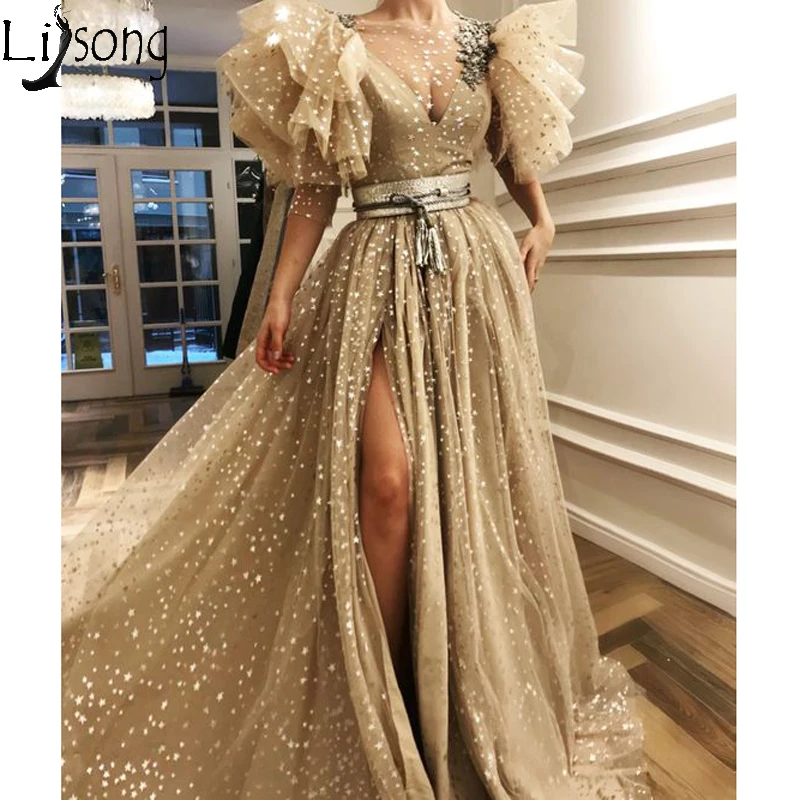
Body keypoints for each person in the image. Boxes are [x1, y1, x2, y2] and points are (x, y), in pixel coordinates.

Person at [61, 1, 652, 797]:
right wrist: (280, 294)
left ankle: (459, 673)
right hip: (375, 273)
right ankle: (387, 701)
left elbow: (510, 149)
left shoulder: (492, 44)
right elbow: (312, 186)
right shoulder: (336, 41)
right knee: (388, 483)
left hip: (472, 278)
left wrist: (543, 220)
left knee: (476, 480)